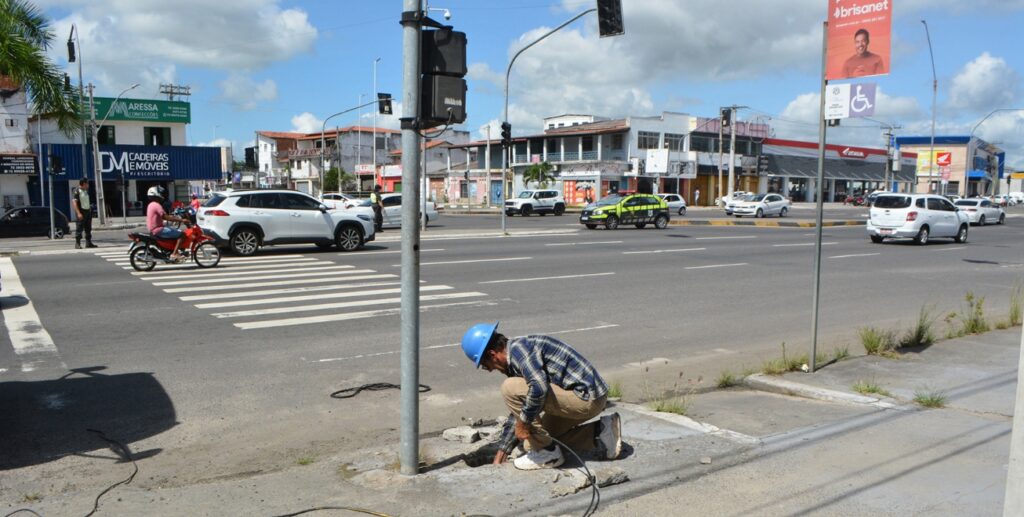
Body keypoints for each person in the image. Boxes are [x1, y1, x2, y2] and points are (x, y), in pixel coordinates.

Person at [461, 322, 622, 470]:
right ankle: (601, 432)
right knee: (532, 443)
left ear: (492, 354)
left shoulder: (520, 352)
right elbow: (520, 410)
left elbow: (538, 387)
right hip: (586, 397)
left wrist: (524, 423)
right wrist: (502, 451)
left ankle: (548, 453)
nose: (490, 370)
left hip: (586, 398)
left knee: (509, 387)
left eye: (485, 365)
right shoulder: (516, 355)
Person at [146, 186, 191, 261]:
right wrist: (181, 220)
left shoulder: (151, 204)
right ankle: (175, 253)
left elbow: (165, 216)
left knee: (173, 231)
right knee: (182, 234)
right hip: (158, 230)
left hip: (154, 229)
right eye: (161, 194)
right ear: (157, 195)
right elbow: (165, 217)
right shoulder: (157, 205)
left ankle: (172, 251)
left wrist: (175, 218)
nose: (162, 196)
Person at [72, 178, 96, 249]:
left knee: (88, 228)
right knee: (79, 228)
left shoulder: (85, 191)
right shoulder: (77, 191)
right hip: (81, 212)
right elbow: (74, 203)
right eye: (87, 183)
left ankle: (88, 243)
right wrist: (78, 213)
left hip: (87, 211)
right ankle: (77, 244)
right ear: (84, 184)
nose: (88, 185)